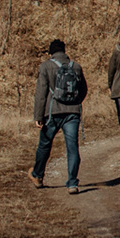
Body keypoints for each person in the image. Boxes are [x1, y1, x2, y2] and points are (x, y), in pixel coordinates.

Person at [30, 38, 87, 193]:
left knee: (45, 145)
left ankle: (38, 175)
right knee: (72, 148)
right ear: (64, 51)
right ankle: (72, 183)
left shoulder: (45, 66)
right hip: (72, 113)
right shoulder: (76, 67)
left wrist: (38, 116)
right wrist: (74, 102)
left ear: (51, 52)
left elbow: (41, 93)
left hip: (52, 112)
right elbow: (83, 90)